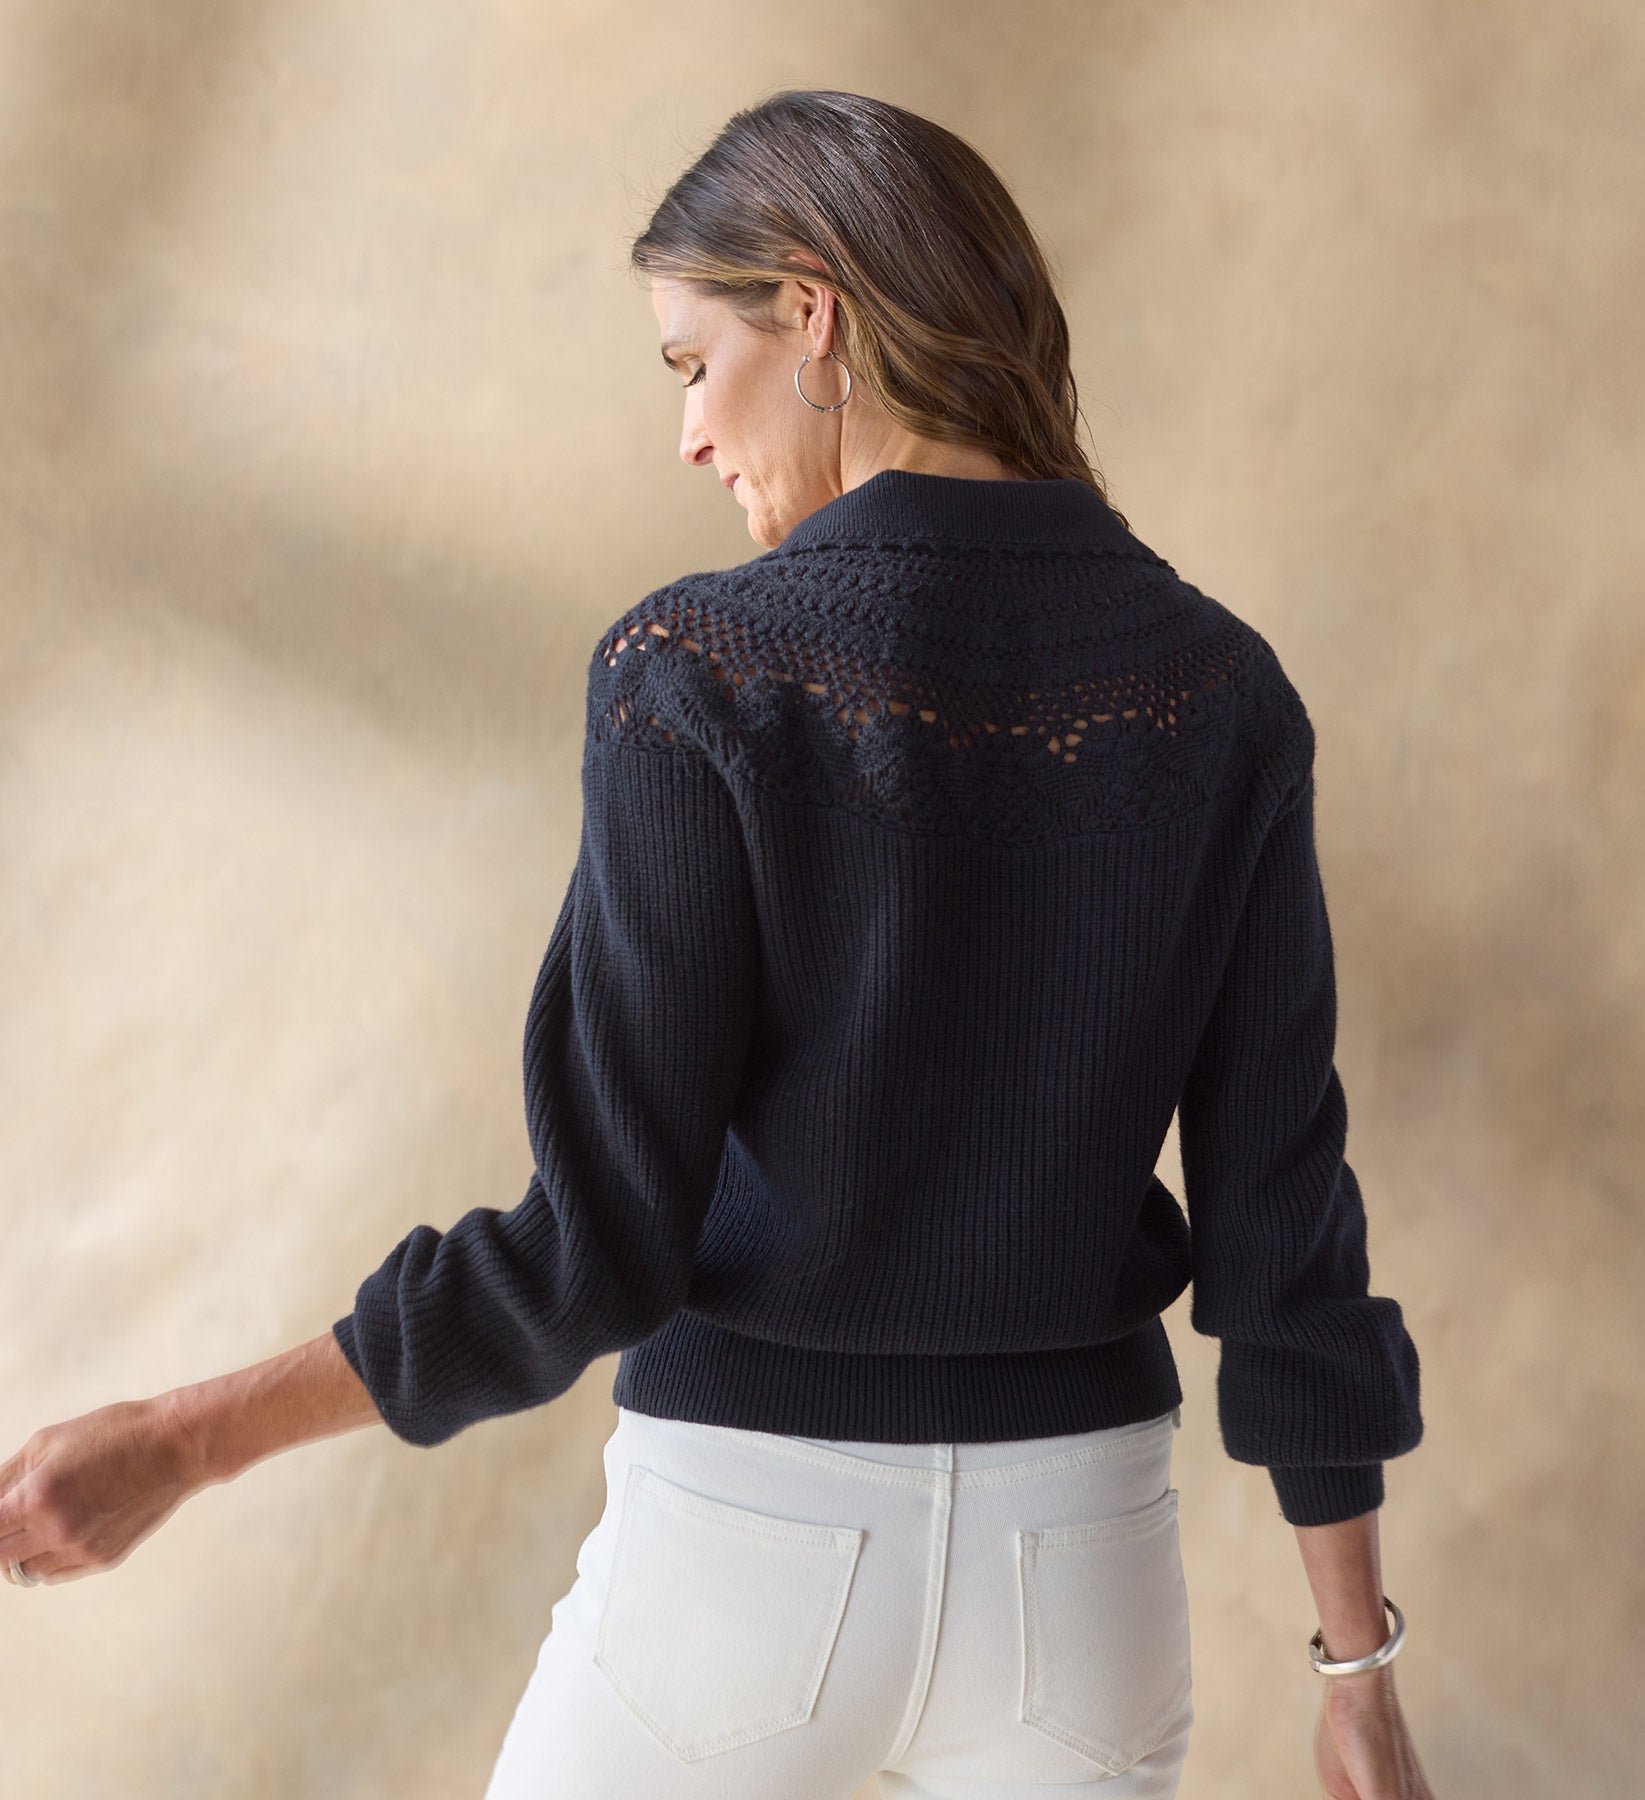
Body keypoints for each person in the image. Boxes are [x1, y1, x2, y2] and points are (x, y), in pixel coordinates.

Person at [0, 89, 1434, 1800]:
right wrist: (1356, 1671)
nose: (690, 434)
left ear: (813, 311)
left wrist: (183, 1441)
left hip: (750, 1564)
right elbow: (1286, 1227)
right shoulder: (1220, 690)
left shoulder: (696, 672)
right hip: (1084, 1582)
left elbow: (594, 1253)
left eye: (692, 362)